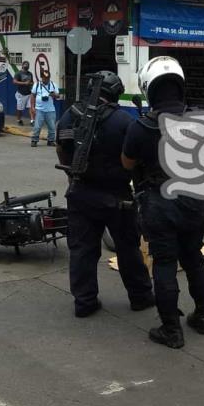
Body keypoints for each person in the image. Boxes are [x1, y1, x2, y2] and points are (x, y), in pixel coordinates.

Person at [122, 56, 204, 349]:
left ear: (149, 89)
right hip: (194, 200)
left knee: (164, 264)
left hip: (159, 203)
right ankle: (203, 317)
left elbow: (126, 163)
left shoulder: (141, 127)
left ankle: (171, 329)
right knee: (194, 258)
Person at [56, 71, 154, 317]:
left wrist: (73, 175)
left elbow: (61, 148)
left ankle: (84, 302)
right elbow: (135, 158)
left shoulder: (70, 115)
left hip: (80, 193)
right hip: (117, 196)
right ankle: (141, 297)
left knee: (82, 250)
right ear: (115, 93)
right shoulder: (123, 121)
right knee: (127, 248)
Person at [30, 72, 59, 147]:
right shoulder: (36, 85)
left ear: (49, 78)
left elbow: (58, 96)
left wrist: (54, 95)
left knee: (52, 127)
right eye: (43, 78)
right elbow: (33, 96)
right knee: (37, 126)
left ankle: (51, 141)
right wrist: (32, 107)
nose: (45, 80)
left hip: (50, 110)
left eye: (47, 78)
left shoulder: (53, 85)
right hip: (39, 109)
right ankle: (34, 140)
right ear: (41, 77)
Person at [13, 61, 34, 125]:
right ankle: (19, 120)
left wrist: (31, 83)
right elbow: (14, 81)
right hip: (21, 94)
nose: (26, 66)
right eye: (25, 65)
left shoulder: (30, 74)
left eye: (27, 65)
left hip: (29, 93)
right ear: (22, 65)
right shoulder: (18, 73)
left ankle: (32, 121)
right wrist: (24, 83)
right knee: (20, 109)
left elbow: (32, 82)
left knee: (30, 107)